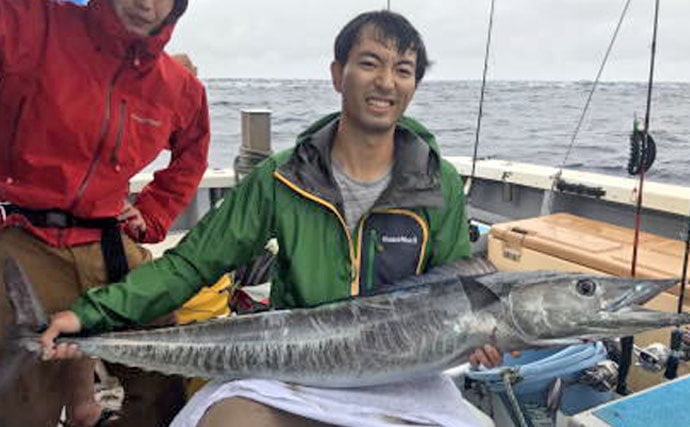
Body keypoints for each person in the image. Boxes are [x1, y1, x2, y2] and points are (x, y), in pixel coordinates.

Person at [41, 10, 503, 427]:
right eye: (370, 63)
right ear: (338, 75)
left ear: (414, 87)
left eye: (403, 70)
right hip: (293, 369)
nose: (386, 82)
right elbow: (191, 265)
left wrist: (479, 338)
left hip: (405, 378)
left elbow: (452, 293)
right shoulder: (282, 176)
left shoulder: (437, 182)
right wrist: (87, 316)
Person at [0, 0, 210, 426]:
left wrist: (151, 216)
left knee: (166, 376)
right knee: (26, 395)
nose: (144, 3)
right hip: (24, 235)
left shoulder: (179, 86)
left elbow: (191, 156)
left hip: (111, 243)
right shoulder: (30, 23)